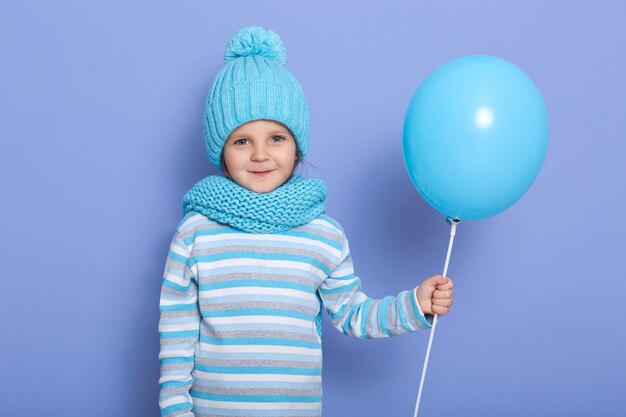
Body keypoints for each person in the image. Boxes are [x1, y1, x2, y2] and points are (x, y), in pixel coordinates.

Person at [158, 26, 454, 417]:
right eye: (242, 140)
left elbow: (352, 313)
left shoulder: (323, 235)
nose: (260, 154)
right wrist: (175, 411)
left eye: (276, 138)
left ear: (297, 144)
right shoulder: (195, 233)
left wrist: (414, 305)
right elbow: (176, 339)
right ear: (221, 149)